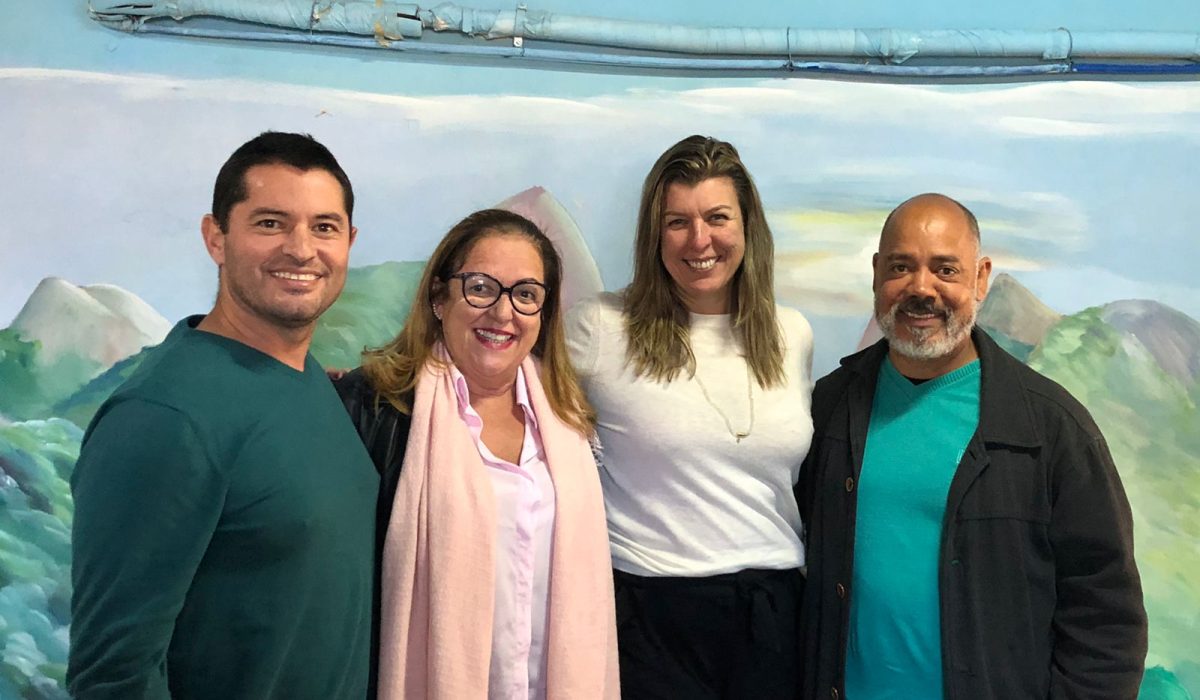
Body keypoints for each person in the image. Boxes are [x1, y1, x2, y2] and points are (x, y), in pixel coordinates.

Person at [799, 193, 1147, 700]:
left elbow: (1106, 618)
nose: (921, 288)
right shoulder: (830, 407)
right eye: (901, 267)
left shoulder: (1052, 429)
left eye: (945, 270)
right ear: (876, 274)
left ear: (981, 279)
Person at [68, 132, 377, 699]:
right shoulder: (164, 417)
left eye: (324, 227)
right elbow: (113, 677)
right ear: (216, 237)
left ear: (349, 242)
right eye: (270, 223)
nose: (301, 249)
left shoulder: (308, 379)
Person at [565, 135, 815, 699]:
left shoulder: (791, 334)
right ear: (653, 235)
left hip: (774, 616)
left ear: (748, 227)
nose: (699, 240)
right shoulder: (599, 327)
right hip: (649, 615)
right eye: (677, 222)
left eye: (717, 217)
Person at [333, 208, 619, 699]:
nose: (503, 313)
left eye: (526, 294)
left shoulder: (568, 418)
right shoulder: (375, 410)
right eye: (481, 287)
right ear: (439, 297)